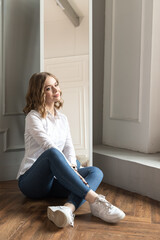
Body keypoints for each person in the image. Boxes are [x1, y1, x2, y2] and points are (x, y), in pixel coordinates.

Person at [17, 72, 125, 228]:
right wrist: (73, 172)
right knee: (52, 153)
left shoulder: (63, 119)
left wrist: (74, 168)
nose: (56, 90)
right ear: (39, 93)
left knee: (95, 171)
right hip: (32, 182)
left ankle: (67, 210)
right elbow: (49, 146)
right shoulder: (33, 117)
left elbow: (69, 147)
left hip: (54, 181)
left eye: (56, 85)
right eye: (48, 88)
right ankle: (96, 201)